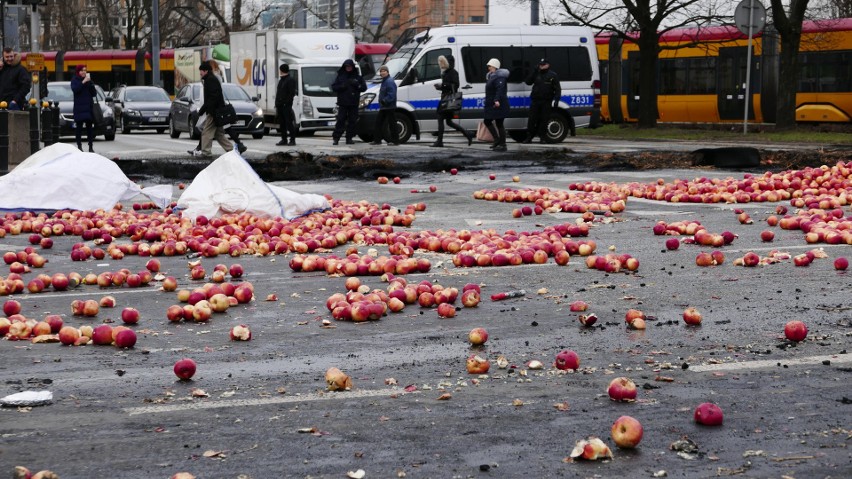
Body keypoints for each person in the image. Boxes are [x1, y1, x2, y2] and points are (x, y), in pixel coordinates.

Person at [190, 61, 246, 158]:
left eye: (201, 71)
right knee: (219, 134)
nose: (200, 73)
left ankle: (206, 153)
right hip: (216, 111)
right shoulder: (210, 79)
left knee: (206, 132)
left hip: (214, 111)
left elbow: (212, 97)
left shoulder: (210, 80)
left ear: (206, 71)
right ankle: (231, 150)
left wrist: (203, 109)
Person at [524, 58, 571, 143]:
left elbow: (557, 89)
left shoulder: (552, 75)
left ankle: (542, 137)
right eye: (540, 64)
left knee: (544, 120)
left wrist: (557, 99)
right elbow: (528, 82)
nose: (541, 66)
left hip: (546, 101)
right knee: (532, 119)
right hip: (535, 101)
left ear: (548, 65)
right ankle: (529, 136)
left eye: (543, 64)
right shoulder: (536, 74)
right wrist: (534, 72)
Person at [431, 55, 473, 147]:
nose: (441, 64)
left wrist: (443, 86)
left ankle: (439, 141)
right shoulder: (447, 72)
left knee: (440, 117)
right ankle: (467, 134)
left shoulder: (453, 72)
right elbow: (449, 85)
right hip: (446, 98)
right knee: (448, 122)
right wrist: (440, 87)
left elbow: (455, 85)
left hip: (448, 99)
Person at [331, 59, 366, 145]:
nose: (348, 68)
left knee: (352, 121)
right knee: (340, 120)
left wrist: (357, 85)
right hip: (343, 103)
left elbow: (364, 88)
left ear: (352, 67)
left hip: (353, 103)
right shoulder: (340, 76)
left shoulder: (358, 77)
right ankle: (336, 138)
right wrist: (342, 86)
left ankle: (349, 138)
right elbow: (334, 87)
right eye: (346, 66)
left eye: (349, 66)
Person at [483, 58, 509, 152]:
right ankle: (497, 140)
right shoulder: (491, 76)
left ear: (494, 66)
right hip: (492, 103)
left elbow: (500, 89)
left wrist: (497, 100)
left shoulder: (499, 77)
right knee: (488, 121)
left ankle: (502, 144)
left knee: (499, 123)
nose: (488, 68)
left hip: (498, 103)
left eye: (490, 66)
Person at [70, 65, 97, 152]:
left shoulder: (89, 81)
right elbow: (75, 89)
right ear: (78, 72)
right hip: (79, 108)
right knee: (79, 128)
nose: (83, 72)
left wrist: (90, 84)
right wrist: (83, 82)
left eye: (85, 70)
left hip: (88, 108)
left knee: (89, 128)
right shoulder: (75, 80)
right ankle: (79, 146)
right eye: (81, 70)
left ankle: (90, 146)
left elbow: (94, 94)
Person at [370, 65, 399, 146]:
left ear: (387, 72)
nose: (382, 72)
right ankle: (377, 140)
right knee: (379, 123)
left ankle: (395, 141)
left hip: (389, 106)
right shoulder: (385, 81)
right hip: (385, 106)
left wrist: (384, 101)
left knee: (391, 123)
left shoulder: (389, 81)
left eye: (384, 71)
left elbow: (392, 94)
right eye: (381, 71)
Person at [275, 63, 297, 146]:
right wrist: (277, 103)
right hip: (280, 105)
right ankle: (284, 139)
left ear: (281, 70)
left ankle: (292, 139)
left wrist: (286, 103)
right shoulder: (281, 80)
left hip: (286, 105)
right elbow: (279, 93)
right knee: (282, 123)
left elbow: (291, 93)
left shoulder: (290, 80)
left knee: (289, 122)